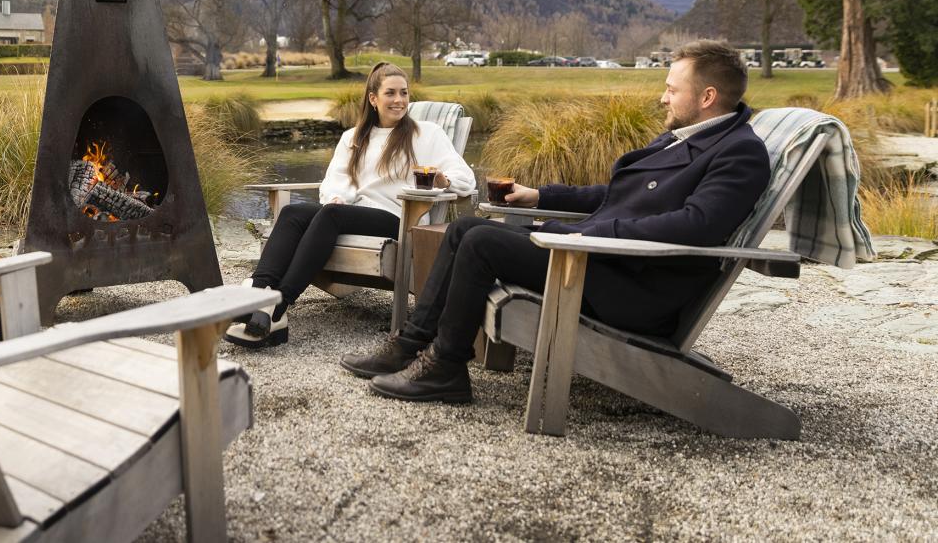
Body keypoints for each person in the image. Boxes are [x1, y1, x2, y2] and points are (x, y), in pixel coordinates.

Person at [339, 40, 771, 403]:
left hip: (632, 283)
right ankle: (412, 346)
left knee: (480, 243)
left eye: (672, 89)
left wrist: (581, 233)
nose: (663, 97)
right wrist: (542, 196)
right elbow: (619, 197)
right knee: (463, 229)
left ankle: (446, 368)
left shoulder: (739, 153)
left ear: (708, 97)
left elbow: (695, 227)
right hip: (602, 260)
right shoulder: (690, 137)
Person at [227, 62, 475, 348]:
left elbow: (465, 178)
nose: (399, 100)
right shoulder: (354, 137)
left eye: (404, 93)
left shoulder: (426, 133)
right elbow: (335, 180)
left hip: (399, 217)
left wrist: (443, 180)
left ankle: (279, 307)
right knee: (294, 212)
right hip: (353, 214)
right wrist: (336, 197)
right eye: (390, 93)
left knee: (332, 215)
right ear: (373, 98)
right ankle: (259, 294)